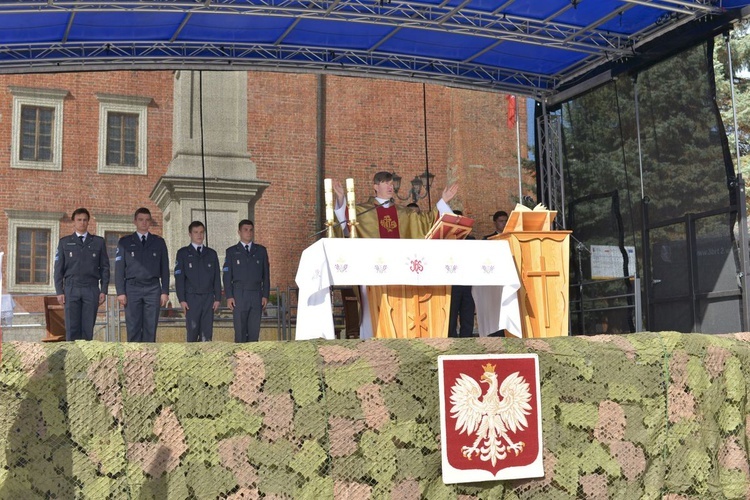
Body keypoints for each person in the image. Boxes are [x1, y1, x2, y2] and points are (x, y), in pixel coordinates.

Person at [333, 171, 458, 239]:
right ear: (375, 186)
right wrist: (340, 197)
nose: (390, 187)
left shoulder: (404, 213)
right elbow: (343, 220)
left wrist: (443, 201)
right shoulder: (362, 211)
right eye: (386, 183)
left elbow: (427, 221)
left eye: (392, 184)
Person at [53, 208, 110, 341]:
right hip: (71, 289)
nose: (82, 223)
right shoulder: (64, 242)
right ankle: (73, 360)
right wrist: (59, 291)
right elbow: (58, 269)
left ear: (88, 222)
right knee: (72, 329)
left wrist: (104, 290)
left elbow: (105, 268)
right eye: (79, 220)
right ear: (74, 221)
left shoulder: (98, 242)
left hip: (91, 289)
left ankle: (86, 360)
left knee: (87, 329)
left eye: (85, 220)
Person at [115, 207, 170, 342]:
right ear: (135, 221)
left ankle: (149, 360)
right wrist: (120, 292)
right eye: (141, 220)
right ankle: (134, 360)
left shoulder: (158, 242)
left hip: (153, 288)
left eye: (147, 220)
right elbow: (119, 269)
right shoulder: (125, 242)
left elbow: (165, 269)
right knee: (133, 327)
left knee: (150, 328)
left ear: (150, 222)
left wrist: (164, 291)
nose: (144, 223)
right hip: (132, 288)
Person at [223, 219, 270, 342]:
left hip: (256, 294)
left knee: (254, 333)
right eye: (245, 230)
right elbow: (227, 276)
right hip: (239, 294)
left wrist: (265, 295)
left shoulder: (261, 251)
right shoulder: (232, 252)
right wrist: (229, 296)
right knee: (240, 332)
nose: (248, 233)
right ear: (239, 232)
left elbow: (266, 275)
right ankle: (240, 360)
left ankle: (253, 360)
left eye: (250, 230)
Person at [174, 221, 222, 342]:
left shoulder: (211, 253)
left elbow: (217, 277)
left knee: (207, 334)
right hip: (191, 299)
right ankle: (191, 360)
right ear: (190, 234)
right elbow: (179, 278)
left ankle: (205, 360)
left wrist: (218, 298)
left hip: (208, 298)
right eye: (196, 232)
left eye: (201, 232)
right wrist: (182, 299)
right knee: (192, 332)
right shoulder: (183, 253)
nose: (199, 235)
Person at [447, 210, 476, 338]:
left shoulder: (470, 240)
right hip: (451, 282)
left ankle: (467, 339)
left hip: (467, 281)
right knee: (451, 314)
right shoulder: (444, 241)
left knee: (467, 312)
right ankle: (451, 338)